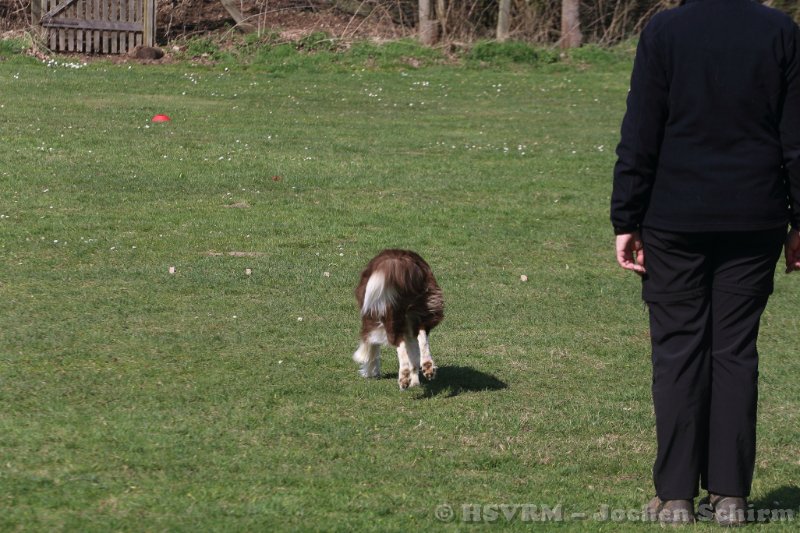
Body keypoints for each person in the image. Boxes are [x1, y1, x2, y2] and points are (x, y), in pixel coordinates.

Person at [611, 0, 800, 525]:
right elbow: (796, 138)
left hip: (675, 217)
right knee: (735, 351)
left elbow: (641, 129)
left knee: (678, 351)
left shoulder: (665, 30)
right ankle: (731, 496)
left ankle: (676, 496)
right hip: (755, 216)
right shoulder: (779, 30)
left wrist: (626, 216)